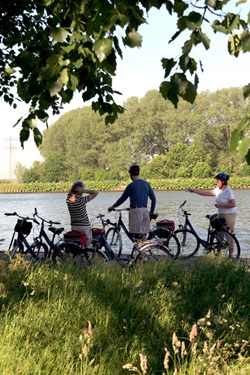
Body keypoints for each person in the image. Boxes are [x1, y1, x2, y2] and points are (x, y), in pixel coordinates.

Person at [187, 173, 236, 255]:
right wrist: (194, 191)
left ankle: (231, 253)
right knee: (219, 233)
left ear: (223, 182)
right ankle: (218, 253)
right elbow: (206, 193)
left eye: (218, 181)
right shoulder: (218, 190)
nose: (217, 182)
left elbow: (233, 204)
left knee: (229, 233)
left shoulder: (228, 191)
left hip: (229, 214)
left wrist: (222, 205)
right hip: (221, 214)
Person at [108, 165, 156, 241]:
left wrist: (113, 206)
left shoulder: (131, 186)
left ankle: (139, 251)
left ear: (130, 174)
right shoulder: (146, 184)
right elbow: (153, 198)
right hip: (145, 211)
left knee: (137, 236)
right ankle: (146, 251)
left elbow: (123, 198)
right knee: (142, 235)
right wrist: (151, 212)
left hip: (136, 212)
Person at [66, 180, 98, 247]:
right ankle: (87, 256)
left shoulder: (68, 200)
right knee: (87, 244)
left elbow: (71, 194)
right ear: (80, 190)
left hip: (74, 226)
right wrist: (83, 190)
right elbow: (96, 192)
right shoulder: (82, 200)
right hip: (84, 226)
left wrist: (75, 190)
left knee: (78, 244)